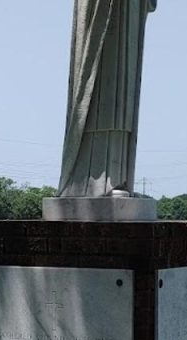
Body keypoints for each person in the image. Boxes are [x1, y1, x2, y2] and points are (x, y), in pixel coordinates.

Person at [58, 0, 157, 198]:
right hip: (104, 12)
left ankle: (119, 177)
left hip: (129, 11)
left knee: (123, 93)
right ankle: (94, 182)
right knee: (104, 92)